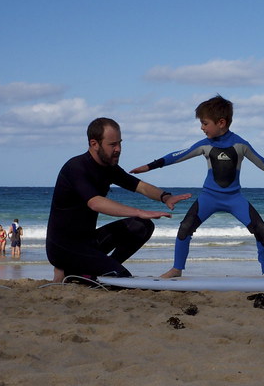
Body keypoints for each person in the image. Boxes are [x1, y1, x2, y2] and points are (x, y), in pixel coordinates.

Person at [131, 95, 264, 278]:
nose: (202, 128)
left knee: (261, 228)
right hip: (209, 197)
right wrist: (149, 166)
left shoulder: (240, 144)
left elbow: (262, 163)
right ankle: (176, 269)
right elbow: (177, 156)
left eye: (205, 123)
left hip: (234, 198)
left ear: (221, 122)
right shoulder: (205, 145)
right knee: (185, 227)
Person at [45, 117, 190, 282]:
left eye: (120, 143)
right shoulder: (76, 167)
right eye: (112, 144)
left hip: (89, 242)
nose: (118, 149)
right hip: (64, 248)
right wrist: (139, 211)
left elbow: (139, 186)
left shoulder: (109, 168)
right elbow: (95, 202)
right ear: (94, 144)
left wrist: (165, 197)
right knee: (121, 277)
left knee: (142, 226)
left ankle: (95, 271)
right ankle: (79, 273)